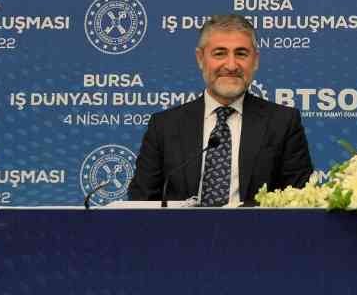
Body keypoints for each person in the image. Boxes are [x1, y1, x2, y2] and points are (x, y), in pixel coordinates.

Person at [126, 13, 313, 205]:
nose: (231, 65)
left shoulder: (283, 123)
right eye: (219, 53)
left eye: (241, 54)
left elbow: (301, 202)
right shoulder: (164, 126)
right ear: (200, 58)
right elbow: (141, 202)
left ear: (255, 60)